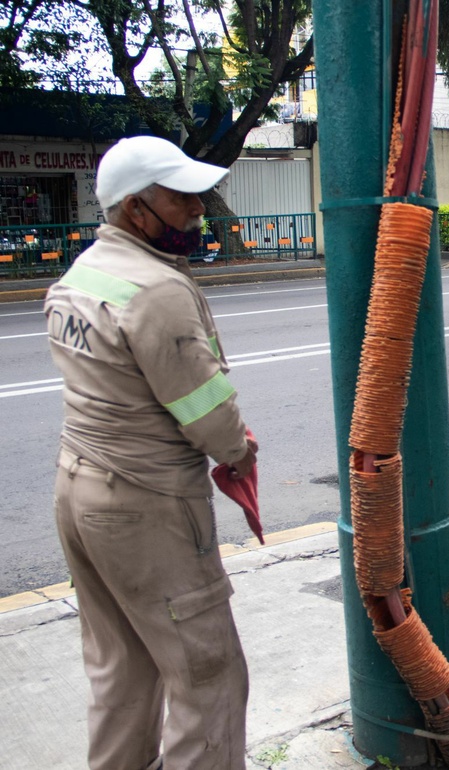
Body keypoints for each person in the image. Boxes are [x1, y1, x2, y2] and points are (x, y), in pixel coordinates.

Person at [45, 135, 257, 770]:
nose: (197, 208)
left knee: (122, 673)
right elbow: (211, 418)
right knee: (209, 677)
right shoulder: (155, 291)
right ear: (137, 209)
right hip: (147, 508)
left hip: (77, 492)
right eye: (179, 196)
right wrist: (238, 453)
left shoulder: (80, 276)